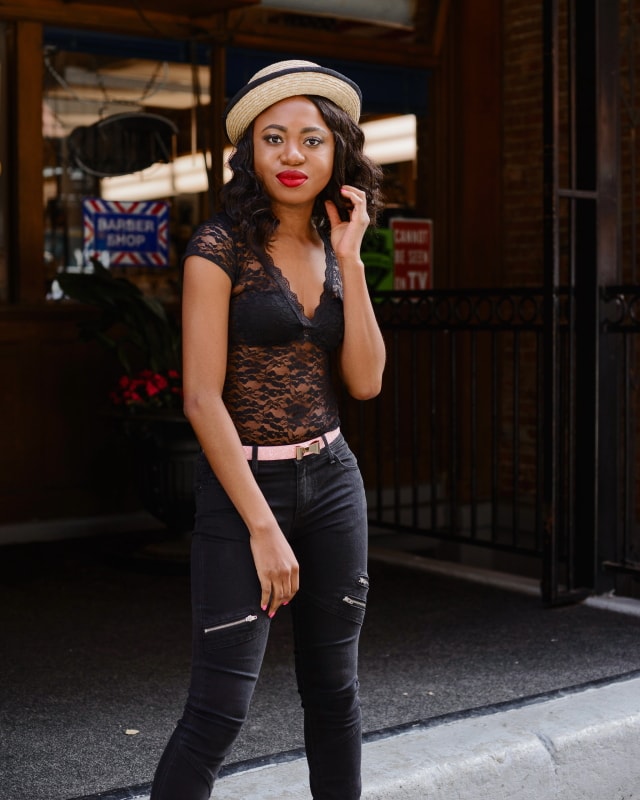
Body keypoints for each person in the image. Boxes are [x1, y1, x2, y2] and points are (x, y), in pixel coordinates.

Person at [150, 59, 386, 800]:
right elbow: (199, 397)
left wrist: (351, 257)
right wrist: (261, 526)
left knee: (335, 695)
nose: (292, 155)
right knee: (218, 712)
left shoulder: (336, 244)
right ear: (250, 152)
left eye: (311, 140)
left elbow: (366, 381)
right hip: (243, 492)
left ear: (336, 152)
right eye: (274, 138)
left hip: (333, 481)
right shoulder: (217, 247)